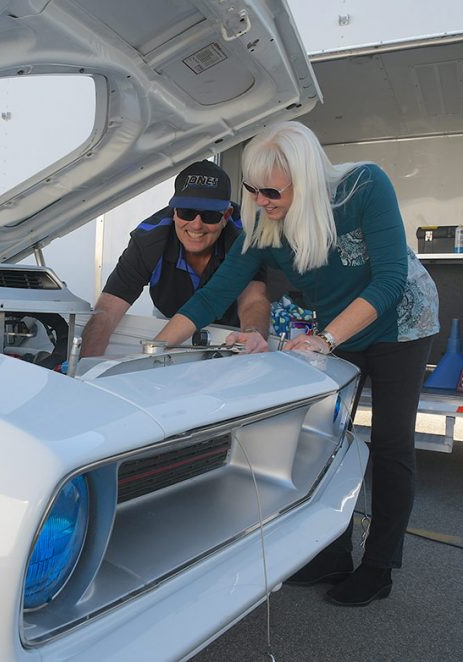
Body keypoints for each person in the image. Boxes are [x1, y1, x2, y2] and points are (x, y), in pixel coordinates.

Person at [154, 121, 439, 607]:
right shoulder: (267, 224)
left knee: (391, 446)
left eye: (271, 191)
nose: (260, 200)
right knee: (329, 440)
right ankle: (332, 554)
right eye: (252, 189)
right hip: (339, 331)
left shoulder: (365, 186)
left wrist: (326, 339)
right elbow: (216, 293)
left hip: (398, 324)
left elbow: (390, 280)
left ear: (304, 179)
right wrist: (155, 352)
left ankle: (379, 566)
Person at [80, 160, 271, 357]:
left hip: (233, 331)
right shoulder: (148, 239)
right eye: (186, 212)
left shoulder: (246, 236)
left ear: (226, 215)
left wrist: (251, 334)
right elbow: (108, 310)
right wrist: (85, 368)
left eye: (210, 216)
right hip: (170, 320)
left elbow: (253, 300)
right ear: (174, 211)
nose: (196, 225)